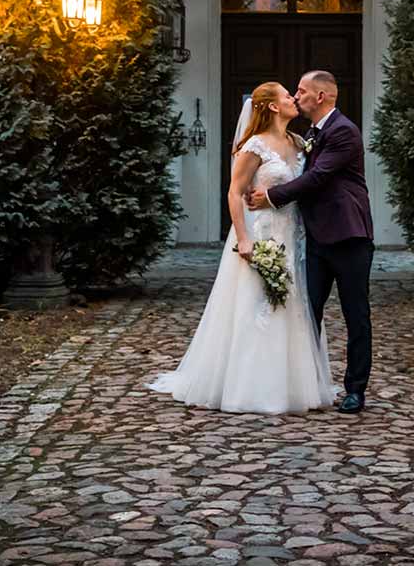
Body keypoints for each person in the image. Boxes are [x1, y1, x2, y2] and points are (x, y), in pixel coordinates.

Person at [146, 81, 336, 414]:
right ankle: (249, 385)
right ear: (274, 107)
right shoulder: (255, 146)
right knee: (256, 305)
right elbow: (235, 193)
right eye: (287, 96)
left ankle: (291, 385)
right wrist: (244, 238)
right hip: (259, 234)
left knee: (292, 305)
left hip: (291, 236)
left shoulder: (297, 142)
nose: (294, 98)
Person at [247, 70, 375, 414]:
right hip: (316, 237)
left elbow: (317, 178)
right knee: (306, 311)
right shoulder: (308, 135)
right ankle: (302, 383)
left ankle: (355, 390)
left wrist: (271, 196)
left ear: (320, 97)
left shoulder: (344, 132)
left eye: (301, 91)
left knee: (355, 314)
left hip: (349, 235)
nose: (296, 95)